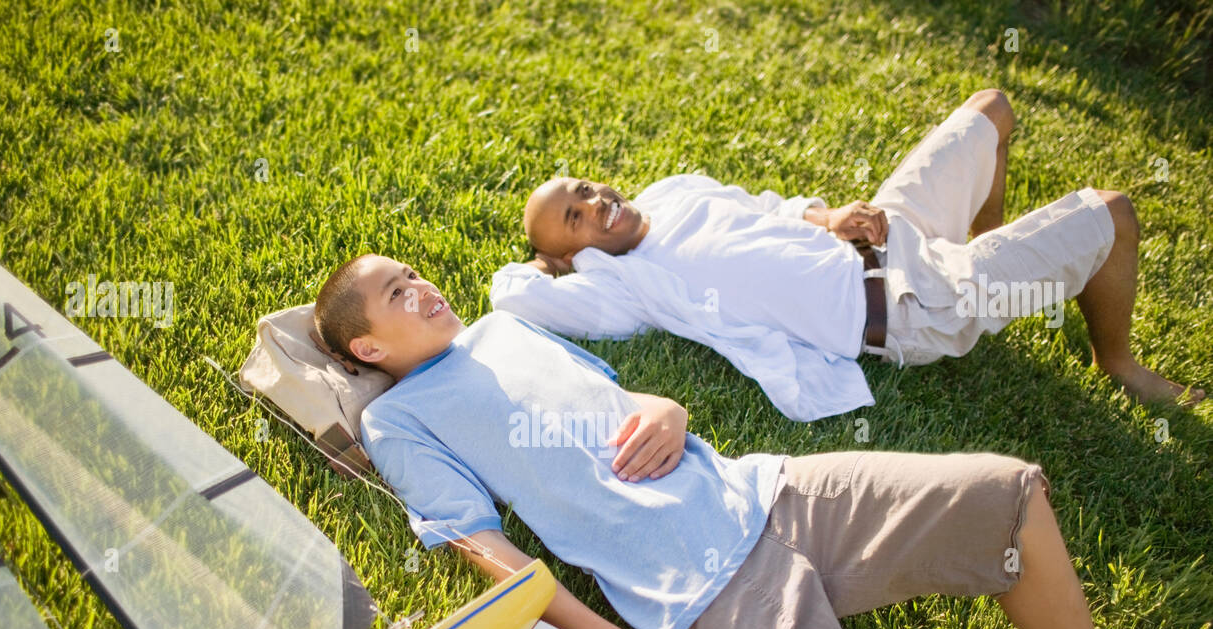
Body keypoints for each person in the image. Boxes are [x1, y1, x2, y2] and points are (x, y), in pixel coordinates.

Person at [314, 252, 1213, 629]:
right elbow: (483, 545)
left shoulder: (505, 332)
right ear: (369, 349)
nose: (422, 288)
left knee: (1011, 495)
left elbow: (623, 398)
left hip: (770, 492)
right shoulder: (401, 421)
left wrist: (672, 411)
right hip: (703, 592)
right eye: (396, 294)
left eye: (415, 275)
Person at [490, 89, 1204, 421]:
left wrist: (828, 217)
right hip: (913, 307)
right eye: (574, 222)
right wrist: (554, 264)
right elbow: (512, 294)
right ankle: (1117, 361)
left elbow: (762, 209)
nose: (595, 206)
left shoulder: (672, 191)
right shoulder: (628, 284)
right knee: (1113, 212)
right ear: (572, 257)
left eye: (583, 190)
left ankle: (987, 247)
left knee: (993, 109)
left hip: (891, 233)